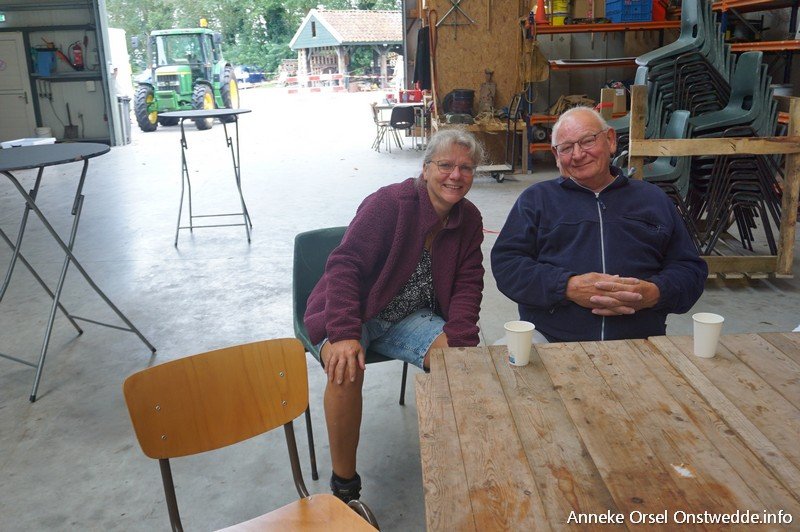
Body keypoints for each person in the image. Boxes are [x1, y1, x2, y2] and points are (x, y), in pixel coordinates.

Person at [303, 129, 485, 502]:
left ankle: (460, 463)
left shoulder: (468, 218)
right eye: (445, 165)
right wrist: (344, 332)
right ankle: (344, 486)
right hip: (355, 310)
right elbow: (344, 265)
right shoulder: (391, 204)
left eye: (466, 168)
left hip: (408, 316)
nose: (455, 175)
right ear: (425, 168)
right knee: (344, 368)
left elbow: (469, 282)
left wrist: (463, 343)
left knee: (462, 363)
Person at [491, 106, 707, 342]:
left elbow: (690, 269)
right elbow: (507, 265)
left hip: (640, 341)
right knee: (500, 359)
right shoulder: (536, 200)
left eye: (587, 141)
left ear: (610, 140)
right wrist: (567, 287)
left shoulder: (652, 199)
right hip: (549, 339)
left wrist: (655, 293)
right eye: (566, 148)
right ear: (556, 155)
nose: (577, 154)